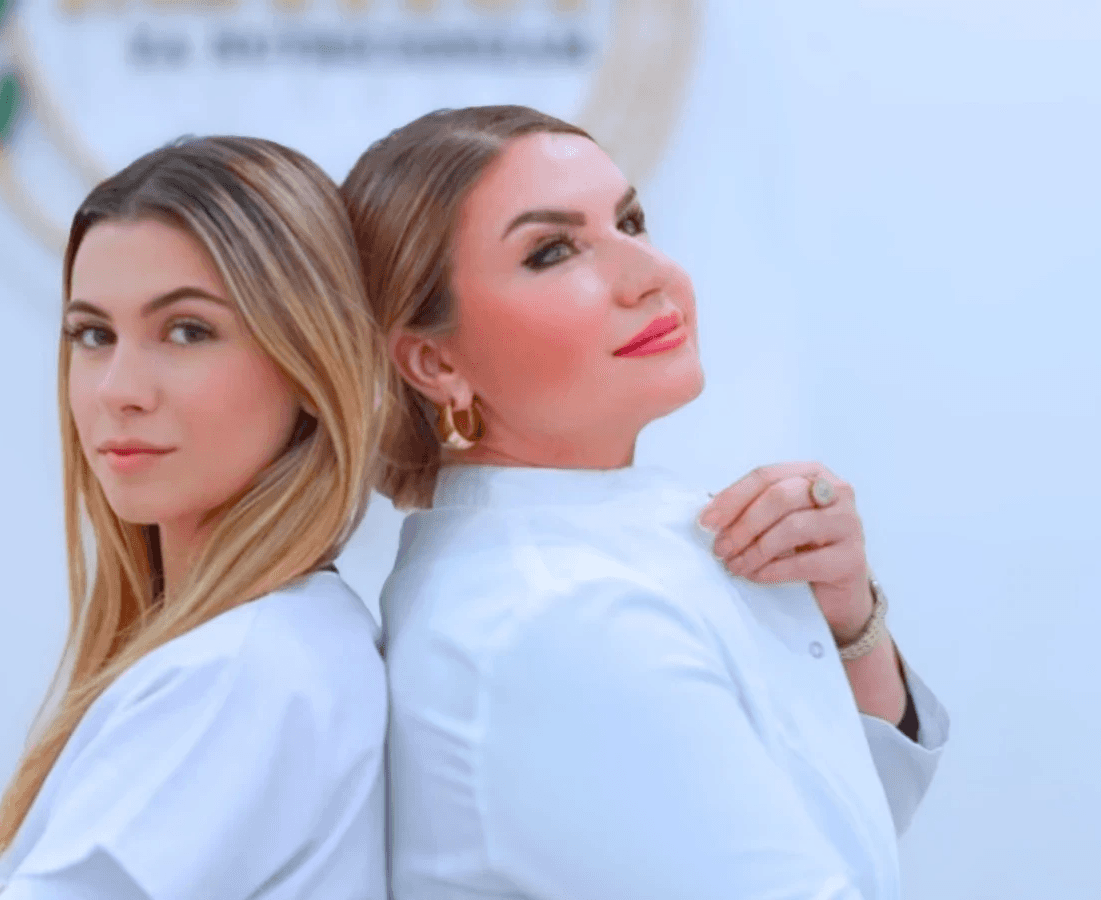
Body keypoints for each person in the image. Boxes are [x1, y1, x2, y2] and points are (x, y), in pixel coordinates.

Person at [340, 105, 949, 899]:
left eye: (629, 221)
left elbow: (836, 824)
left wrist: (846, 622)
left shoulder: (589, 547)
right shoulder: (560, 617)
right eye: (552, 250)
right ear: (433, 360)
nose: (651, 273)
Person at [0, 136, 390, 900]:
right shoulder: (273, 648)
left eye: (187, 331)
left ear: (316, 365)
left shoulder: (238, 673)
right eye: (93, 335)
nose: (119, 389)